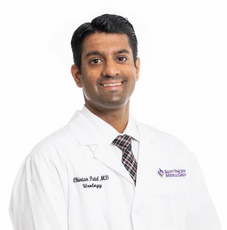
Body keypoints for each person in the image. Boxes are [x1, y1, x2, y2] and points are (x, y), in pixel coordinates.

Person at [9, 14, 221, 230]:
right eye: (95, 61)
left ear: (136, 69)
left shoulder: (176, 153)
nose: (110, 70)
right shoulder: (47, 161)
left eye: (121, 58)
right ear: (77, 75)